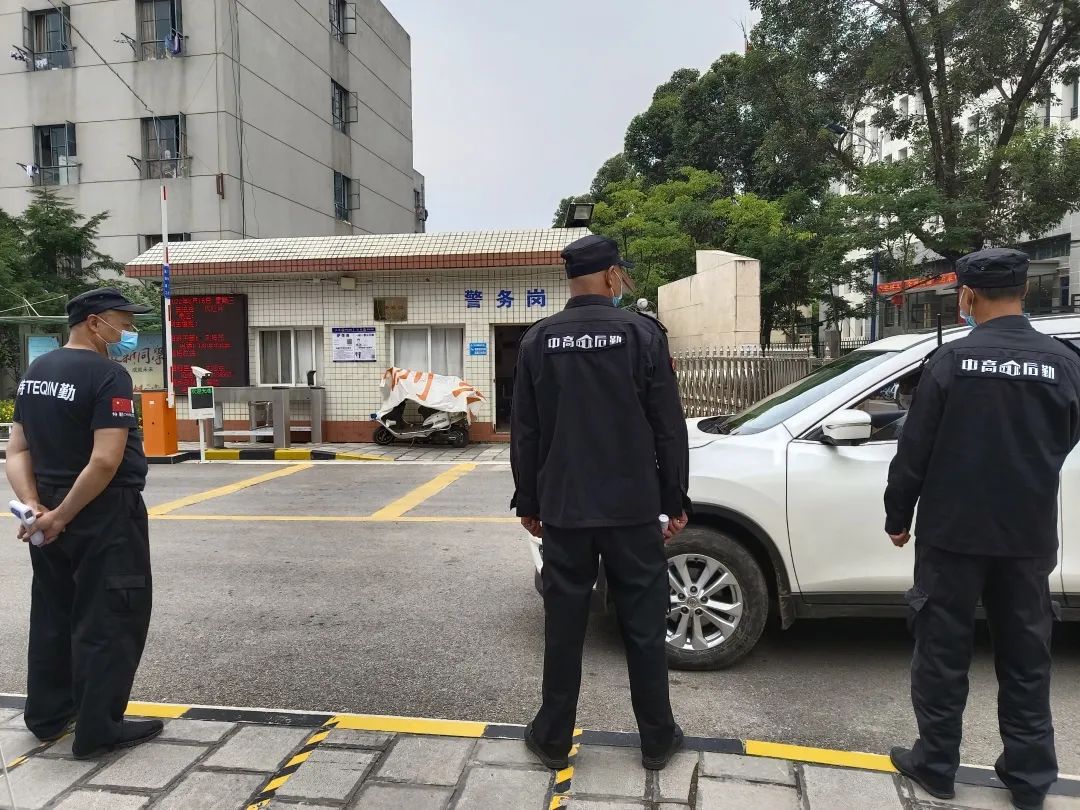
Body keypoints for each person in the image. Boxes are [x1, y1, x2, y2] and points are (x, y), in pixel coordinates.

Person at [883, 248, 1080, 810]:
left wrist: (898, 516)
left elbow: (914, 449)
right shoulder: (1064, 362)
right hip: (1026, 536)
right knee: (1026, 658)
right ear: (1025, 291)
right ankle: (1030, 780)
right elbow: (1067, 433)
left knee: (942, 653)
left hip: (953, 534)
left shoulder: (950, 361)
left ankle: (936, 765)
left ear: (967, 296)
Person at [511, 234, 691, 772]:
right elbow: (668, 427)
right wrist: (674, 498)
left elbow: (526, 432)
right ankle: (656, 740)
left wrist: (529, 500)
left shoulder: (539, 340)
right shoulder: (642, 334)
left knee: (564, 626)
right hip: (633, 509)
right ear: (613, 276)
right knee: (643, 625)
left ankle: (552, 738)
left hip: (565, 508)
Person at [6, 288, 162, 760]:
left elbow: (17, 450)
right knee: (110, 616)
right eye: (122, 320)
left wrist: (36, 508)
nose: (129, 330)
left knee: (54, 612)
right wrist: (64, 516)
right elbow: (105, 460)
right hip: (102, 511)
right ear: (94, 322)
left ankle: (49, 715)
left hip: (49, 506)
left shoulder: (37, 372)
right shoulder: (108, 374)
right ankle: (99, 729)